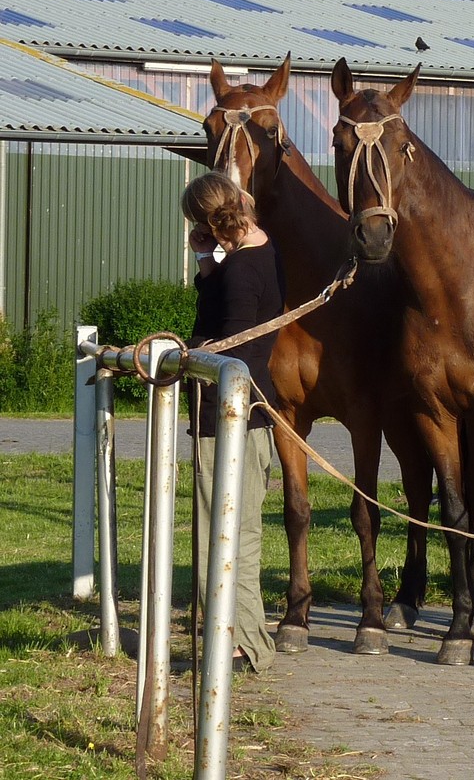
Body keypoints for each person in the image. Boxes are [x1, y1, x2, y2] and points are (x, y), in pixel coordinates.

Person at [181, 171, 284, 674]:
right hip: (249, 420)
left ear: (207, 220)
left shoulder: (242, 270)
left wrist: (182, 357)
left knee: (217, 537)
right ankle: (245, 640)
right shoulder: (261, 254)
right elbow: (224, 307)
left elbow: (232, 348)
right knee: (240, 533)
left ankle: (242, 646)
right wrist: (208, 258)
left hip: (226, 420)